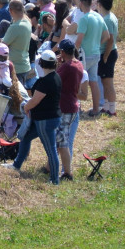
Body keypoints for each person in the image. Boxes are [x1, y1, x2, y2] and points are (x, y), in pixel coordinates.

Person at [11, 49, 62, 185]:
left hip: (45, 120)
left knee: (50, 150)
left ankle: (54, 180)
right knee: (26, 137)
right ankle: (16, 165)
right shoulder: (55, 77)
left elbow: (35, 101)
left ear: (42, 64)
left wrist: (25, 108)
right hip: (48, 118)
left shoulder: (46, 81)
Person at [54, 40, 87, 181]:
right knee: (59, 140)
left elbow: (54, 79)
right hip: (72, 105)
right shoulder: (78, 64)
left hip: (65, 107)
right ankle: (50, 167)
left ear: (62, 52)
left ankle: (67, 173)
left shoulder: (67, 67)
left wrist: (56, 65)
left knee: (63, 142)